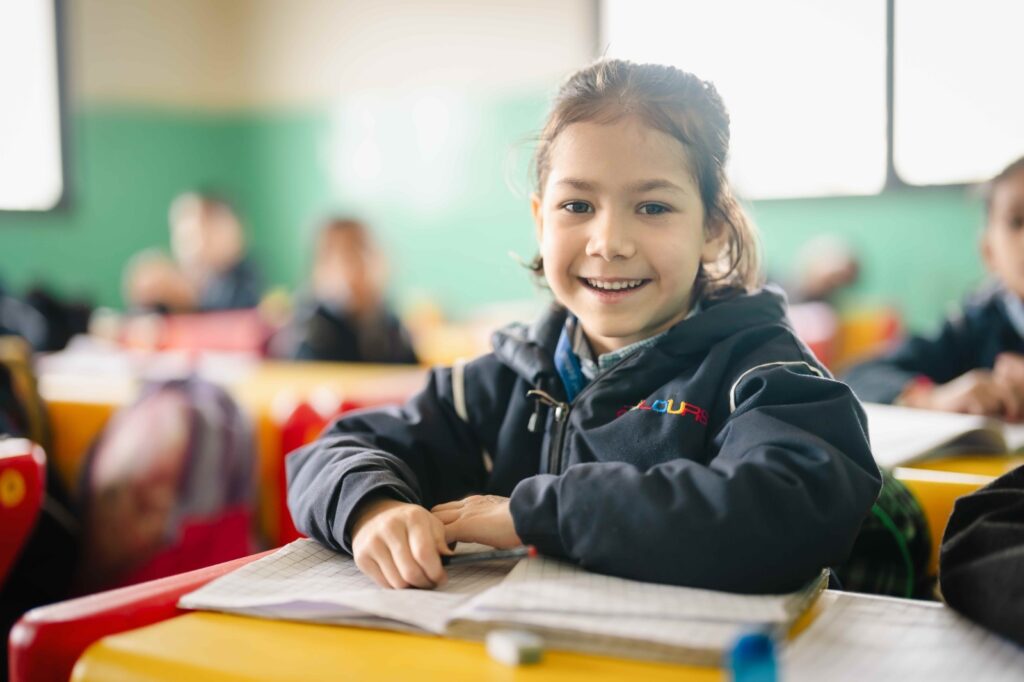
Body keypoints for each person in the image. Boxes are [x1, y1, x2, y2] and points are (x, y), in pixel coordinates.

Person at [286, 59, 880, 594]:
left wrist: (534, 513)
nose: (610, 243)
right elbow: (331, 452)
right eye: (577, 206)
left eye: (653, 207)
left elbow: (792, 509)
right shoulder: (504, 381)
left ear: (713, 228)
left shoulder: (761, 373)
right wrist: (375, 510)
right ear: (540, 219)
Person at [844, 156, 1024, 418]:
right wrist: (933, 398)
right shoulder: (973, 325)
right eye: (1017, 222)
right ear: (989, 252)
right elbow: (860, 377)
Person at [276, 217, 418, 364]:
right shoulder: (311, 322)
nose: (355, 269)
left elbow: (411, 371)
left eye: (362, 252)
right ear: (320, 269)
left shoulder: (387, 321)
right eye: (343, 257)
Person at [123, 192, 263, 313]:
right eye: (182, 233)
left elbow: (236, 319)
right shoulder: (173, 279)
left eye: (198, 231)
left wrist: (186, 300)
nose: (191, 245)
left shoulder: (244, 276)